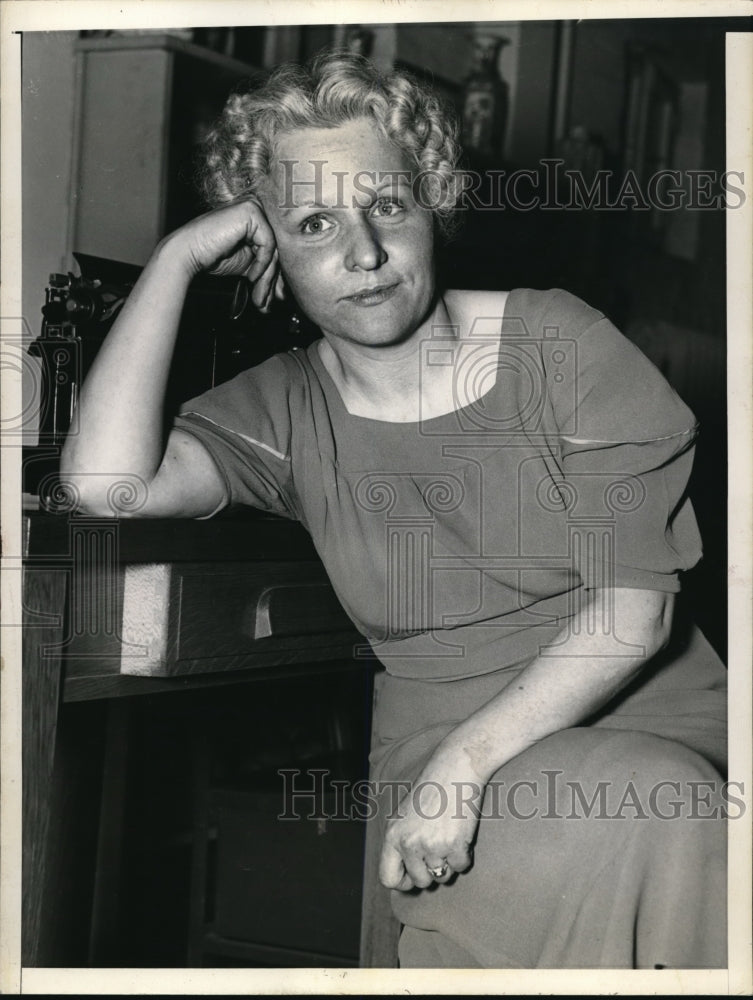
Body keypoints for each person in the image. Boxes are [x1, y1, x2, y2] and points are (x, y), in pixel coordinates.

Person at [60, 51, 727, 969]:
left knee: (664, 800)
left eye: (387, 207)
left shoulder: (561, 344)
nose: (362, 253)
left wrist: (464, 770)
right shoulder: (283, 407)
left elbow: (634, 611)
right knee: (622, 813)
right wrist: (176, 259)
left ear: (433, 205)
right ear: (271, 250)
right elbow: (105, 488)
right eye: (314, 222)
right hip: (438, 740)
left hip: (650, 720)